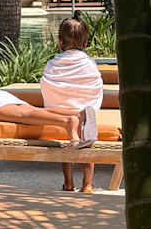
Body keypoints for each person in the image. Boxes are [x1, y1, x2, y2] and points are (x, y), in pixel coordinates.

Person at [41, 13, 104, 194]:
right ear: (85, 43)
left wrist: (61, 103)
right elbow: (96, 87)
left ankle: (68, 183)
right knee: (87, 137)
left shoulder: (52, 64)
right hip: (84, 112)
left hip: (60, 112)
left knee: (67, 141)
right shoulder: (89, 64)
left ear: (59, 41)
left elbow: (46, 85)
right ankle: (88, 184)